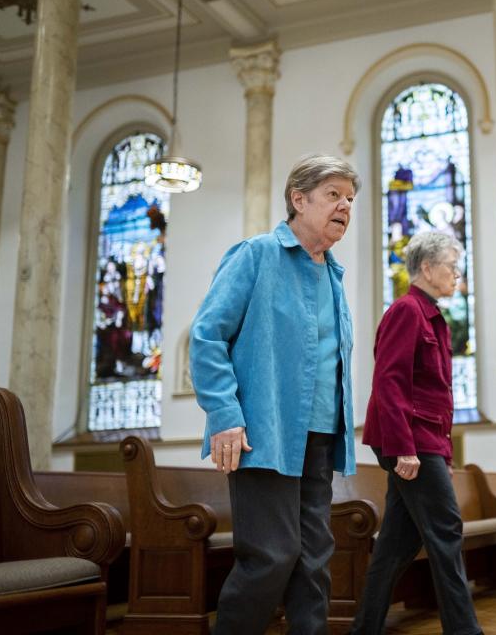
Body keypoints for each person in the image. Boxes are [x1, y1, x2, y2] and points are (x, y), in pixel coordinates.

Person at [189, 154, 360, 635]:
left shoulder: (333, 274)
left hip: (320, 435)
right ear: (298, 198)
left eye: (350, 198)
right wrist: (225, 414)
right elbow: (207, 337)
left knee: (313, 562)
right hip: (262, 434)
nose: (345, 205)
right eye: (333, 195)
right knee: (271, 556)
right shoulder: (256, 255)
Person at [352, 231, 483, 635]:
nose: (457, 275)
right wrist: (404, 447)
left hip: (424, 442)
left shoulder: (432, 316)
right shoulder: (406, 311)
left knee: (396, 544)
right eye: (451, 266)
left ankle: (364, 629)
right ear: (426, 268)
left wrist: (441, 452)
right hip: (408, 441)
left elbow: (434, 391)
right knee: (446, 532)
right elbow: (389, 383)